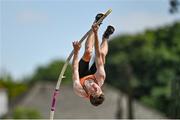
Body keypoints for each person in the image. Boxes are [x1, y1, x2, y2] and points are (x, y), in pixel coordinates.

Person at [72, 14, 115, 106]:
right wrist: (96, 33)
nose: (96, 88)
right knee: (102, 55)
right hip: (93, 75)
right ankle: (104, 35)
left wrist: (76, 52)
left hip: (81, 76)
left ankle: (96, 24)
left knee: (88, 52)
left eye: (95, 91)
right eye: (99, 89)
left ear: (90, 95)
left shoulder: (79, 90)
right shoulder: (100, 78)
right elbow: (98, 55)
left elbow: (75, 70)